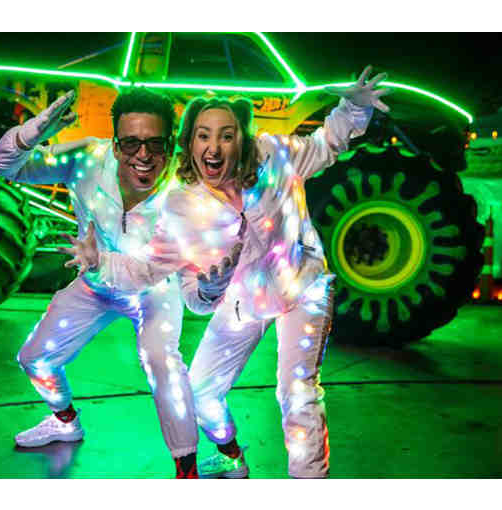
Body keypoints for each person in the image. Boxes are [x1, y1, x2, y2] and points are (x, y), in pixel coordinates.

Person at [65, 66, 391, 478]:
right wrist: (104, 262)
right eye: (203, 135)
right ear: (190, 143)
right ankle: (232, 457)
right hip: (245, 300)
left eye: (226, 134)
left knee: (297, 391)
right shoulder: (182, 207)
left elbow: (325, 144)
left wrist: (353, 109)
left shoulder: (275, 157)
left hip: (301, 284)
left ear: (242, 139)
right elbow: (153, 272)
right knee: (200, 391)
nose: (214, 146)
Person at [0, 87, 203, 478]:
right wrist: (31, 134)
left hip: (152, 290)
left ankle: (186, 469)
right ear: (115, 144)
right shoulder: (86, 159)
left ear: (171, 144)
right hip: (95, 286)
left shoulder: (184, 188)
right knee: (34, 358)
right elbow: (4, 167)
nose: (143, 155)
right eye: (131, 143)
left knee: (161, 363)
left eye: (155, 143)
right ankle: (65, 421)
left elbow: (156, 267)